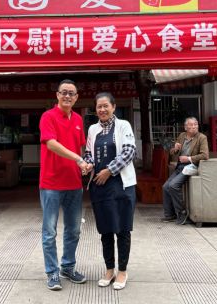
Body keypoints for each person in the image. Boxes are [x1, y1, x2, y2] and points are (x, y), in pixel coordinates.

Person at [83, 92, 137, 290]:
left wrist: (109, 171)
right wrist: (88, 164)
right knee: (105, 230)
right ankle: (109, 269)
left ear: (113, 107)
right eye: (99, 106)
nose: (102, 109)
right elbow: (88, 153)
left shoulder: (124, 125)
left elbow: (129, 151)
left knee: (122, 229)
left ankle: (122, 271)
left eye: (106, 105)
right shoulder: (92, 129)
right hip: (100, 187)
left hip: (121, 186)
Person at [39, 79, 89, 291]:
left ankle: (67, 267)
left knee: (74, 230)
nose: (67, 96)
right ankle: (52, 272)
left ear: (76, 98)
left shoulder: (78, 119)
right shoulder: (48, 116)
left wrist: (85, 164)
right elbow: (51, 144)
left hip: (74, 183)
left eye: (71, 93)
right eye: (64, 92)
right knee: (49, 231)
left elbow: (80, 148)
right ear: (57, 95)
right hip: (51, 183)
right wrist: (78, 159)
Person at [162, 117, 209, 225]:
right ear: (185, 127)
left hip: (191, 167)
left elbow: (205, 155)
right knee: (165, 187)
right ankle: (170, 215)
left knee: (173, 185)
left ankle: (182, 213)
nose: (194, 127)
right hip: (180, 167)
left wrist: (188, 158)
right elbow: (172, 152)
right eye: (191, 125)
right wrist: (175, 149)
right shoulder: (182, 136)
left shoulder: (202, 138)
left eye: (195, 124)